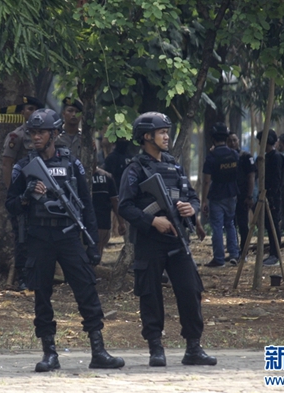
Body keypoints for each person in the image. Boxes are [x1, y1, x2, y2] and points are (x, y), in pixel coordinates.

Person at [6, 108, 124, 372]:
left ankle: (98, 351)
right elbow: (11, 206)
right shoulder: (23, 166)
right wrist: (26, 195)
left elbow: (86, 205)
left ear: (54, 134)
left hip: (69, 235)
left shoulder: (72, 163)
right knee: (42, 295)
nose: (36, 137)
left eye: (41, 132)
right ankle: (50, 353)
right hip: (39, 236)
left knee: (86, 290)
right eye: (33, 132)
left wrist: (92, 243)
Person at [118, 112, 216, 367]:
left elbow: (191, 196)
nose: (166, 137)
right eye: (162, 132)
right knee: (150, 294)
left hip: (177, 239)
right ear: (147, 136)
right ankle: (155, 348)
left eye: (167, 132)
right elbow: (125, 206)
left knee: (191, 290)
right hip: (150, 242)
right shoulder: (135, 169)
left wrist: (191, 209)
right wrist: (152, 221)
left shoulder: (174, 166)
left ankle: (193, 347)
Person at [1, 95, 45, 290]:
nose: (32, 112)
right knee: (21, 236)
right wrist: (14, 193)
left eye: (36, 109)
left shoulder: (47, 135)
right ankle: (22, 277)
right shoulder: (17, 136)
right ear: (22, 113)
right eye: (29, 109)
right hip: (23, 194)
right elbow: (7, 164)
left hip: (42, 193)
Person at [201, 123, 240, 267]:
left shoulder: (211, 157)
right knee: (230, 224)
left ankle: (218, 258)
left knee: (217, 226)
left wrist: (204, 201)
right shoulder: (234, 154)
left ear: (213, 138)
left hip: (217, 195)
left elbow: (207, 181)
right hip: (232, 194)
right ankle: (234, 254)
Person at [256, 129, 283, 267]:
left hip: (272, 197)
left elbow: (276, 179)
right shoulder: (264, 157)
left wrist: (271, 197)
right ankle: (271, 252)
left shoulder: (276, 157)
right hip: (265, 195)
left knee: (274, 225)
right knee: (267, 224)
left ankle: (275, 254)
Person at [227, 132, 256, 255]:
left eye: (234, 140)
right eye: (229, 141)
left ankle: (244, 251)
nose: (232, 143)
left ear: (238, 141)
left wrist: (249, 196)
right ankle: (234, 251)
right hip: (229, 195)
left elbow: (251, 176)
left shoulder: (245, 157)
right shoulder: (226, 158)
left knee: (243, 224)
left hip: (243, 195)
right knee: (231, 224)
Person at [92, 165, 126, 258]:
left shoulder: (107, 176)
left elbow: (115, 201)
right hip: (101, 223)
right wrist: (121, 223)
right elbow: (115, 201)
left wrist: (121, 223)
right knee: (96, 254)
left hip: (99, 223)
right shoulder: (107, 176)